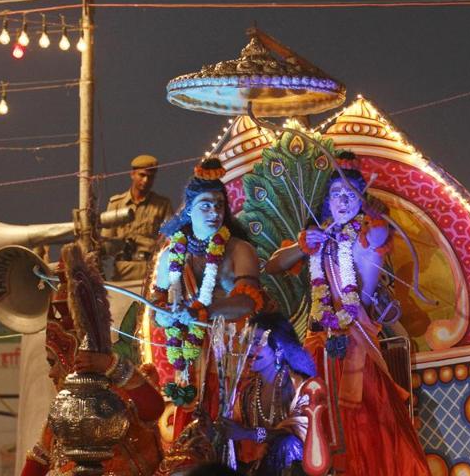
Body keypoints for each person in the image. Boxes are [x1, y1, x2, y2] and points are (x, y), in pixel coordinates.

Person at [265, 152, 430, 475]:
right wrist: (302, 245)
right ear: (326, 202)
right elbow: (273, 265)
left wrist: (372, 214)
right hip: (316, 342)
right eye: (336, 194)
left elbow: (381, 237)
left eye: (351, 195)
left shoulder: (367, 236)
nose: (343, 201)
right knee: (314, 418)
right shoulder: (318, 239)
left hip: (356, 341)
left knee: (363, 423)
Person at [151, 158, 264, 472]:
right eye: (205, 205)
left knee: (239, 441)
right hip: (190, 365)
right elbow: (157, 313)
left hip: (235, 359)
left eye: (219, 204)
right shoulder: (170, 255)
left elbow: (248, 302)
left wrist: (205, 310)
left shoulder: (239, 250)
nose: (215, 212)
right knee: (189, 446)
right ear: (188, 210)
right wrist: (170, 314)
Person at [20, 251, 165, 476]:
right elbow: (38, 463)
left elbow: (153, 407)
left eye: (54, 362)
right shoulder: (61, 417)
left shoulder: (116, 402)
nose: (52, 373)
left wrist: (108, 364)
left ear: (73, 357)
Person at [218, 312, 319, 476]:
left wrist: (249, 434)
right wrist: (216, 429)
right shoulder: (248, 392)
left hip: (298, 468)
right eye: (248, 341)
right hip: (259, 468)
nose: (249, 349)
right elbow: (233, 427)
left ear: (278, 347)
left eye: (258, 342)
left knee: (287, 444)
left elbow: (302, 433)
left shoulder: (300, 384)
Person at [101, 154, 174, 281]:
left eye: (150, 177)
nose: (145, 180)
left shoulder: (162, 205)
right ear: (132, 174)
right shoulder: (116, 204)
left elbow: (171, 240)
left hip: (150, 269)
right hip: (122, 270)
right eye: (142, 175)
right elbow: (106, 241)